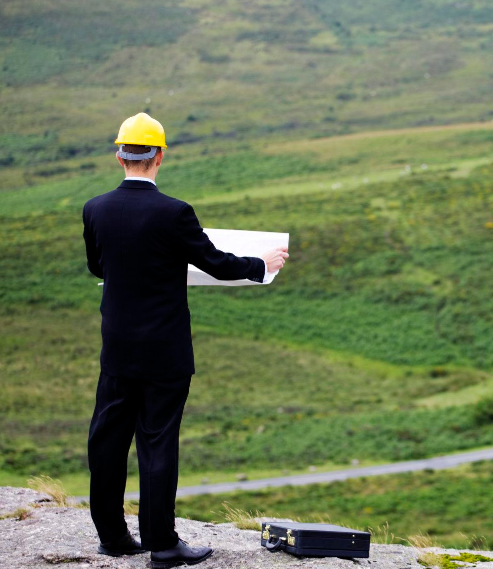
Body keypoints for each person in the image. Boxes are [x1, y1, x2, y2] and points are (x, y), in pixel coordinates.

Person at [82, 112, 288, 568]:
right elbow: (215, 262)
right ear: (159, 156)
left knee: (107, 441)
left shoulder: (95, 208)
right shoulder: (174, 212)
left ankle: (112, 537)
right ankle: (162, 544)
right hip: (165, 352)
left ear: (120, 156)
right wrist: (262, 264)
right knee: (157, 442)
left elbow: (99, 266)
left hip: (116, 347)